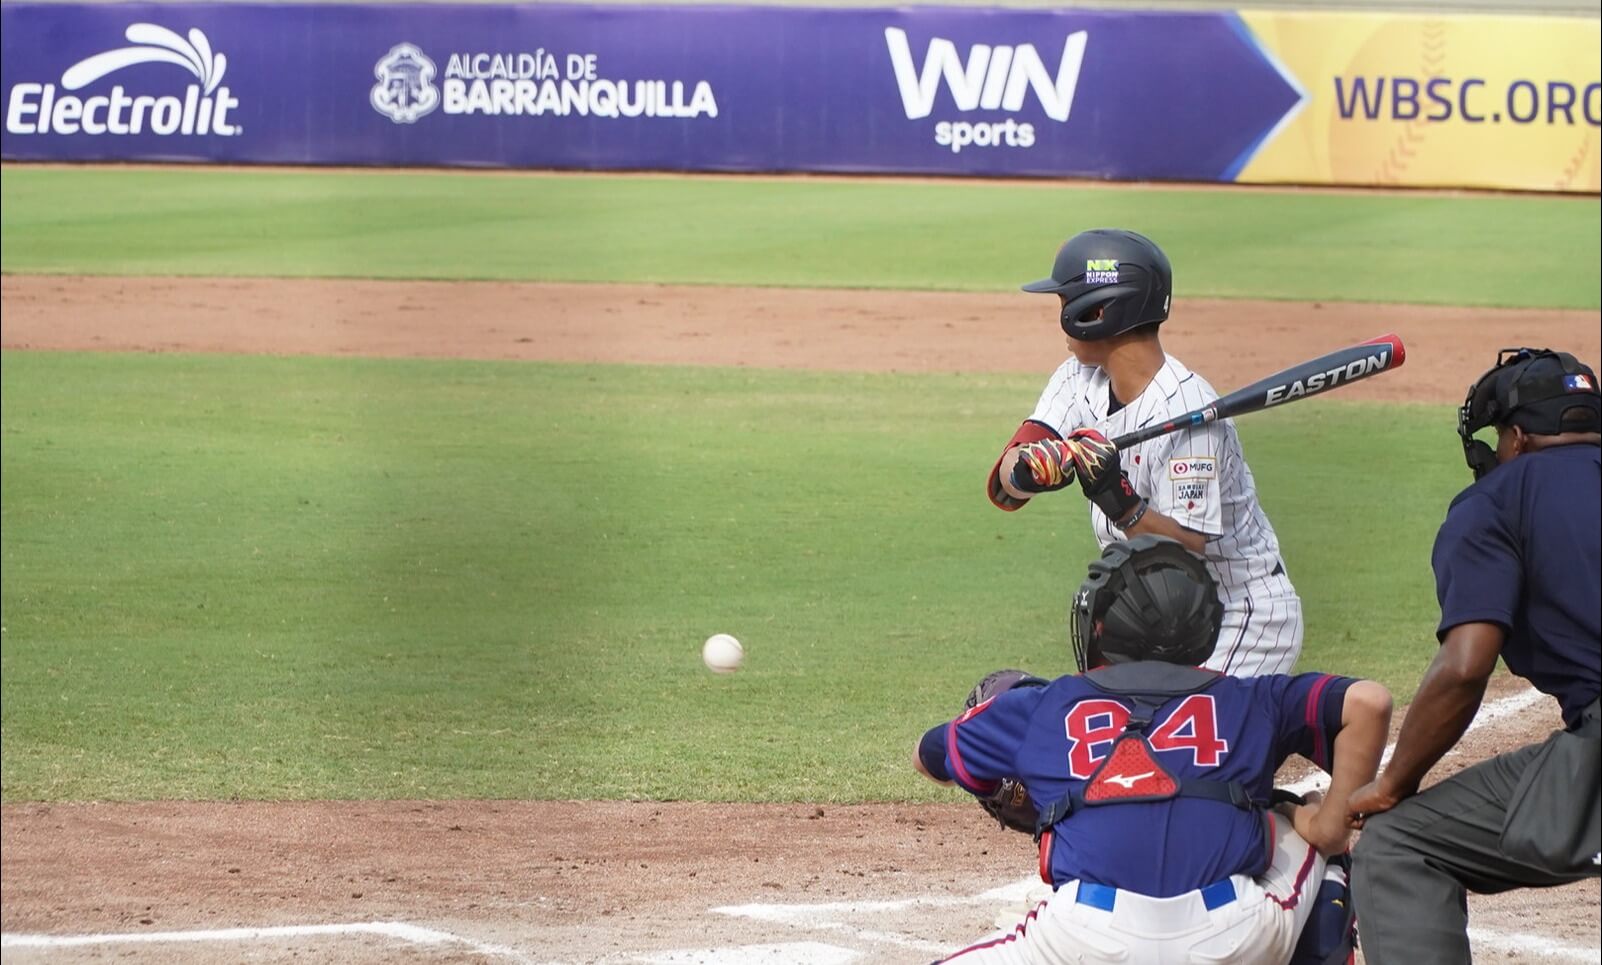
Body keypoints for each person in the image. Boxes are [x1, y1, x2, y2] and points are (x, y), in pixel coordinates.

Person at [914, 535, 1392, 964]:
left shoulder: (1045, 705)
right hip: (1234, 936)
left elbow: (928, 756)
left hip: (1082, 937)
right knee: (1291, 813)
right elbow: (1369, 703)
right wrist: (1324, 827)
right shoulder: (1253, 697)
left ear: (1101, 628)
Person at [1347, 348, 1602, 964]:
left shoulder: (1497, 500)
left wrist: (1394, 783)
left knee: (1399, 846)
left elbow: (1465, 667)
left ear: (1515, 438)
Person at [988, 228, 1302, 677]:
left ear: (1096, 312)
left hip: (1238, 614)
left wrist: (1115, 496)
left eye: (1064, 301)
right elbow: (1005, 484)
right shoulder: (1077, 378)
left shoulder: (1187, 409)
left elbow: (1186, 551)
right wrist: (1030, 469)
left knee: (1181, 722)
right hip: (1153, 614)